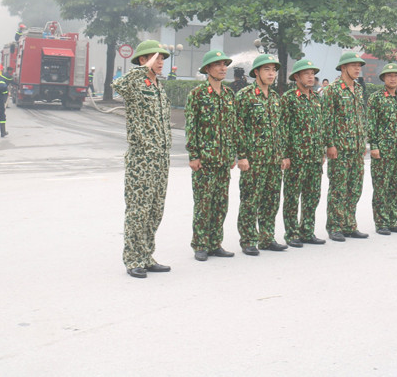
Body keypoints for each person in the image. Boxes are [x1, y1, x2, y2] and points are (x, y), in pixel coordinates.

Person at [111, 41, 172, 279]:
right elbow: (118, 84)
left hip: (161, 157)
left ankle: (147, 256)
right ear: (142, 60)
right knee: (139, 209)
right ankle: (133, 258)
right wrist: (140, 68)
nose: (160, 63)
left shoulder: (158, 86)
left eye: (161, 59)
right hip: (142, 158)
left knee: (156, 209)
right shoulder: (136, 82)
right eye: (156, 58)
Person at [185, 50, 238, 262]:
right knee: (203, 203)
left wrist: (233, 154)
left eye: (225, 64)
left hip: (223, 160)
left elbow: (232, 127)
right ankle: (200, 244)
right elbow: (192, 126)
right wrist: (194, 155)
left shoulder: (228, 94)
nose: (223, 68)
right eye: (218, 65)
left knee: (220, 203)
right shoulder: (197, 94)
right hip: (205, 160)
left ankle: (215, 243)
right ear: (208, 69)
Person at [235, 54, 287, 254]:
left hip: (273, 159)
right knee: (250, 199)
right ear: (256, 72)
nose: (271, 73)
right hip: (254, 159)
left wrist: (282, 154)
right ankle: (248, 239)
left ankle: (267, 237)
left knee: (271, 199)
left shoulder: (275, 98)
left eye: (273, 70)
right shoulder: (245, 96)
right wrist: (242, 156)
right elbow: (238, 128)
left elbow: (280, 128)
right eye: (267, 69)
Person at [321, 52, 368, 242]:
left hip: (356, 148)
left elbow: (361, 116)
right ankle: (334, 226)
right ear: (343, 68)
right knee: (338, 189)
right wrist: (330, 144)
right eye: (353, 65)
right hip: (339, 149)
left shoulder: (357, 88)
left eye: (359, 65)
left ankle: (350, 224)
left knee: (355, 188)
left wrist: (363, 140)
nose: (357, 69)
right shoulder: (332, 89)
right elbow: (327, 119)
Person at [280, 59, 327, 247]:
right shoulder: (289, 99)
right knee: (292, 197)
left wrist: (322, 149)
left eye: (312, 74)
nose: (310, 77)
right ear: (297, 77)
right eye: (306, 74)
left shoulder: (316, 98)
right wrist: (285, 154)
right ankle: (291, 233)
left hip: (314, 157)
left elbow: (320, 126)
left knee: (312, 196)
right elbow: (283, 128)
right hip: (296, 157)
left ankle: (307, 231)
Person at [368, 62, 397, 236]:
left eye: (396, 76)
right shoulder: (376, 98)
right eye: (390, 76)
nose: (393, 78)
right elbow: (371, 124)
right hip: (382, 151)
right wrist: (374, 146)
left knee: (396, 187)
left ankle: (392, 220)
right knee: (381, 188)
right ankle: (381, 222)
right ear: (383, 78)